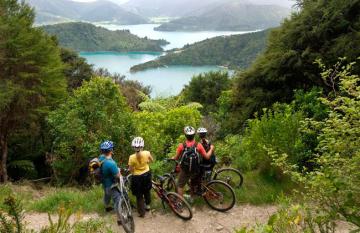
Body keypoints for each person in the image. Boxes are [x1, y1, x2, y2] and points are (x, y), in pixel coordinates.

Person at [173, 126, 211, 198]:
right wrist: (211, 149)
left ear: (185, 135)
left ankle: (180, 202)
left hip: (185, 170)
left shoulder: (181, 146)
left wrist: (172, 158)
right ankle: (191, 196)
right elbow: (206, 157)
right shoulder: (198, 145)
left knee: (180, 185)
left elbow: (176, 157)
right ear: (194, 135)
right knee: (192, 182)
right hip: (195, 170)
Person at [98, 140, 122, 225]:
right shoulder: (111, 164)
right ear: (111, 150)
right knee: (118, 200)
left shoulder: (101, 158)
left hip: (104, 183)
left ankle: (107, 207)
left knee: (107, 194)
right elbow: (117, 176)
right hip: (112, 185)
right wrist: (119, 170)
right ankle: (120, 219)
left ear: (102, 151)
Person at [128, 137, 153, 217]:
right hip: (147, 174)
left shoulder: (131, 157)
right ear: (142, 146)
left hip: (137, 177)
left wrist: (134, 171)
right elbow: (151, 161)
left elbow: (131, 169)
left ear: (133, 147)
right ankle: (148, 206)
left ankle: (142, 212)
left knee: (139, 195)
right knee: (147, 191)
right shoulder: (147, 153)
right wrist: (146, 163)